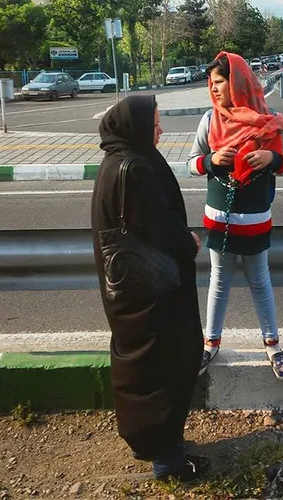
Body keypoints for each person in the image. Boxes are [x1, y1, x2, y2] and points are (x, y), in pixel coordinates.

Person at [91, 96, 209, 483]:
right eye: (155, 125)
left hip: (129, 293)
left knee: (142, 367)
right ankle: (168, 461)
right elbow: (158, 227)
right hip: (152, 296)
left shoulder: (114, 162)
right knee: (164, 367)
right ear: (136, 128)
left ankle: (162, 447)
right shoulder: (135, 168)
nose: (159, 132)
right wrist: (187, 243)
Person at [187, 52, 283, 380]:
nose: (214, 88)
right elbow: (191, 163)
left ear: (237, 83)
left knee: (259, 280)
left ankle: (273, 345)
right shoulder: (209, 120)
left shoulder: (269, 120)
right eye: (212, 83)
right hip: (219, 219)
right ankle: (210, 344)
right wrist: (212, 160)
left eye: (220, 82)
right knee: (219, 281)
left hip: (256, 219)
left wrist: (271, 158)